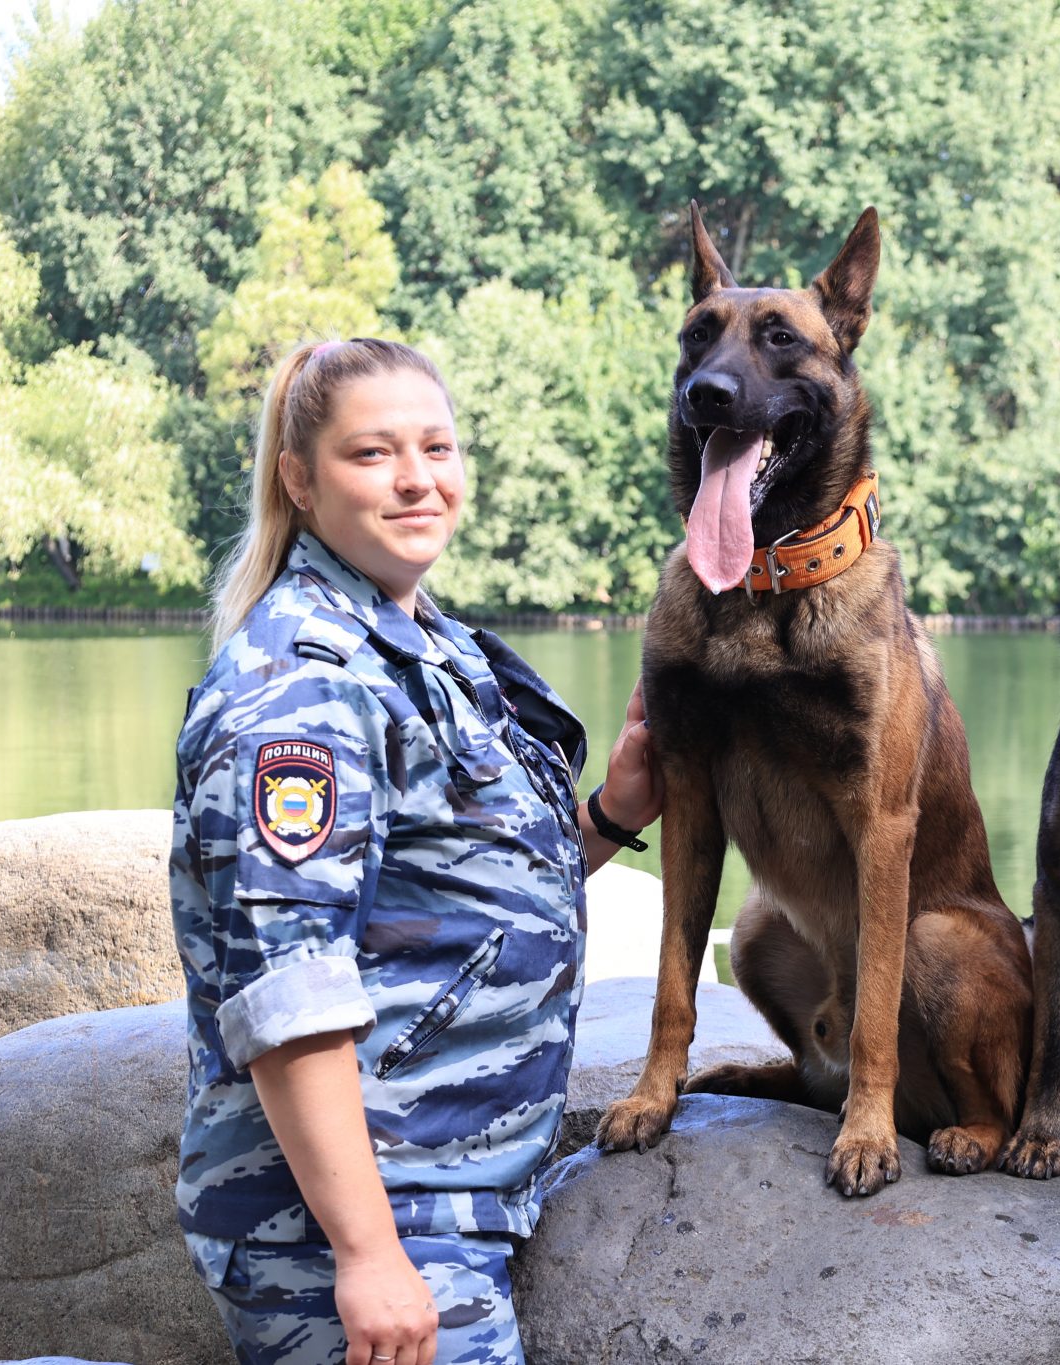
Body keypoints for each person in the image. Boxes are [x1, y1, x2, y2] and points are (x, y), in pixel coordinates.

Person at [170, 337, 663, 1365]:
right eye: (372, 454)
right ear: (297, 480)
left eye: (435, 447)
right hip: (348, 1220)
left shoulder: (433, 645)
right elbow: (287, 993)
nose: (415, 480)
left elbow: (458, 906)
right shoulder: (298, 690)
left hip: (447, 1192)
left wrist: (610, 813)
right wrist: (366, 1255)